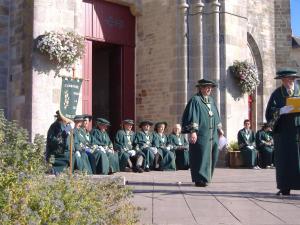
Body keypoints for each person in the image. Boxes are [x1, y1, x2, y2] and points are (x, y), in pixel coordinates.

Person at [265, 68, 300, 195]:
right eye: (286, 79)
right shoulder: (277, 94)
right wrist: (280, 111)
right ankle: (285, 186)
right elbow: (269, 112)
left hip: (297, 130)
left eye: (291, 79)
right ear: (282, 80)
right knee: (284, 159)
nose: (289, 81)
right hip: (283, 132)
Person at [182, 79, 221, 187]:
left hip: (212, 134)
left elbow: (216, 115)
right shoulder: (195, 100)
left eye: (210, 87)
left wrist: (219, 128)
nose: (209, 89)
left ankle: (207, 177)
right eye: (206, 87)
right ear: (200, 88)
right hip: (201, 134)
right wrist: (193, 131)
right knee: (200, 155)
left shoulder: (211, 100)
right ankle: (199, 179)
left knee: (212, 155)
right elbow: (192, 116)